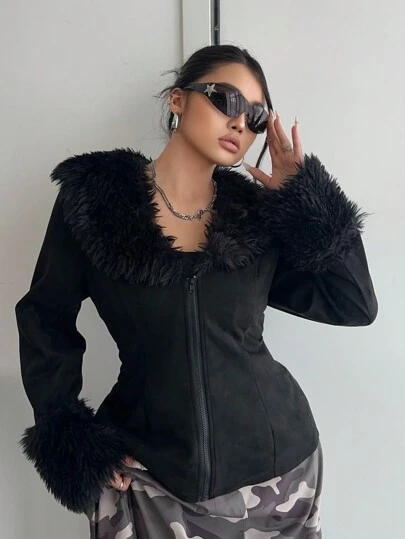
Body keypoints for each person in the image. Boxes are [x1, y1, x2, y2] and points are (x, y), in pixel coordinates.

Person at [14, 44, 378, 538]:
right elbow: (44, 316)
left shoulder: (256, 219)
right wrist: (67, 432)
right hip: (146, 480)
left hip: (278, 479)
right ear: (177, 99)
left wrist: (304, 200)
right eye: (226, 99)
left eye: (256, 116)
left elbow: (353, 303)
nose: (240, 123)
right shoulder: (95, 204)